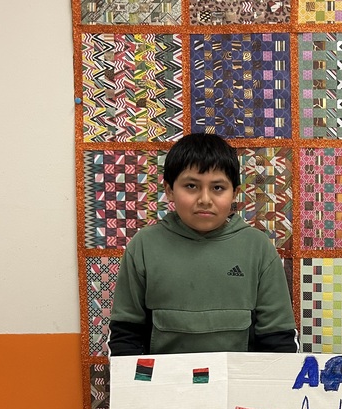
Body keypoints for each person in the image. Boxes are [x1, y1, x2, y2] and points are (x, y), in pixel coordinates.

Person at [109, 133, 297, 356]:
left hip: (237, 388)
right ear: (169, 190)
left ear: (235, 193)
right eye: (191, 186)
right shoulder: (143, 246)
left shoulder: (258, 248)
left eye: (218, 188)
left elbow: (278, 340)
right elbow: (125, 336)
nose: (205, 199)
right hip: (165, 388)